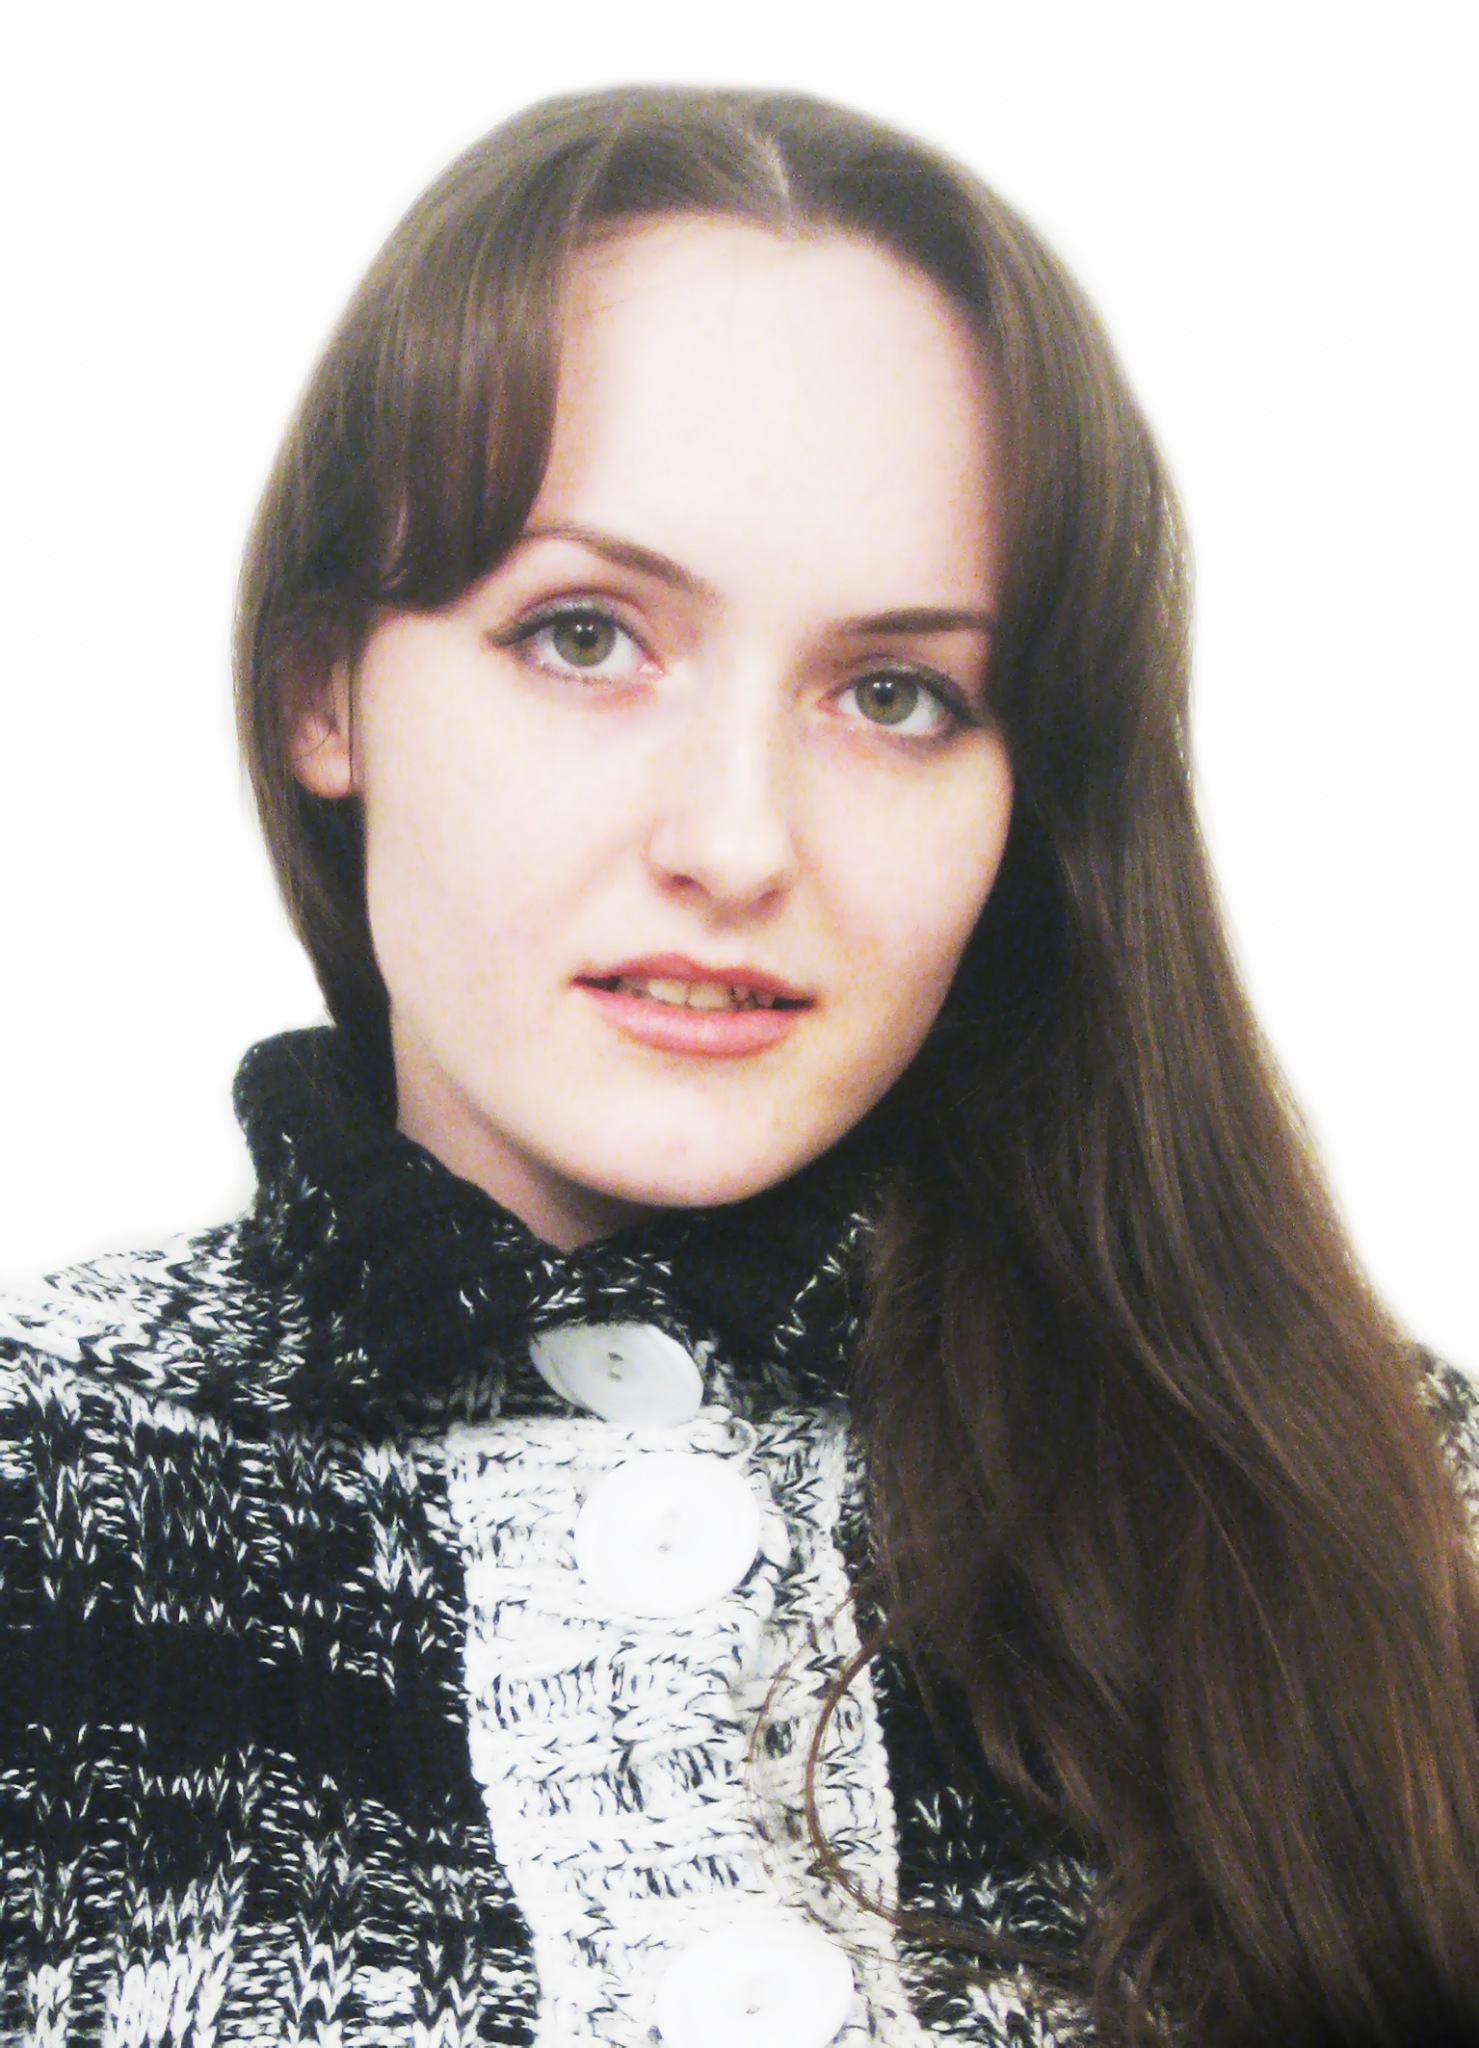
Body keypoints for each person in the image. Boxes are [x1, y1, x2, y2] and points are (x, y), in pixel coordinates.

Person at [2, 85, 1477, 2048]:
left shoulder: (1395, 1512)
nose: (735, 841)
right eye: (584, 637)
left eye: (896, 694)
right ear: (321, 688)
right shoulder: (43, 1488)